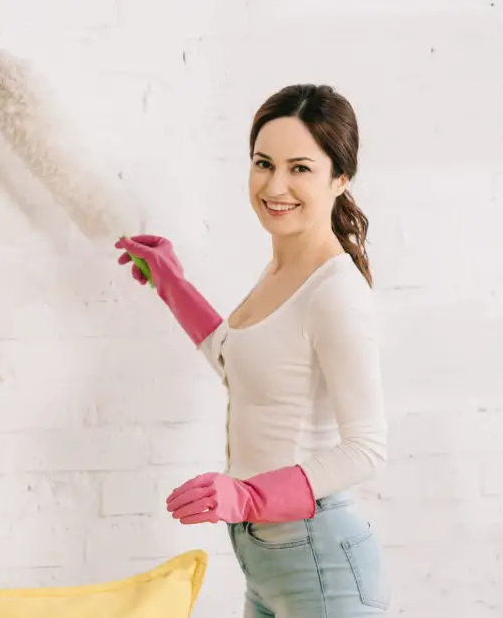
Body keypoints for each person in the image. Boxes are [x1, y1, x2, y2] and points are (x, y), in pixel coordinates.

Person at [115, 84, 390, 617]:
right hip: (269, 561)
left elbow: (366, 448)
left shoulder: (336, 291)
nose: (275, 185)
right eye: (264, 163)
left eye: (300, 168)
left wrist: (249, 498)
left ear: (340, 178)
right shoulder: (281, 273)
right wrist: (171, 282)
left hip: (320, 559)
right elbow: (237, 361)